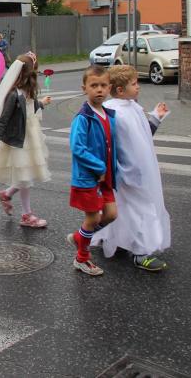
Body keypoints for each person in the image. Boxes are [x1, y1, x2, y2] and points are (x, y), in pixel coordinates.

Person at [91, 66, 171, 271]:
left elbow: (143, 137)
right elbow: (106, 145)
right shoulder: (115, 113)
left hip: (137, 171)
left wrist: (156, 117)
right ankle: (141, 252)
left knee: (125, 209)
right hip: (126, 172)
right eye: (134, 84)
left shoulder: (131, 107)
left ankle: (117, 239)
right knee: (141, 210)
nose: (138, 87)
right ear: (119, 90)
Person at [0, 53, 52, 228]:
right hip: (19, 139)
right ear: (28, 73)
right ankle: (26, 215)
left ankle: (7, 194)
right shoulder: (13, 95)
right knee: (25, 174)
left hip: (29, 135)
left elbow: (29, 107)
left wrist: (41, 103)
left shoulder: (27, 90)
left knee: (26, 173)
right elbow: (3, 120)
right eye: (35, 71)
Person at [66, 65, 118, 276]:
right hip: (88, 177)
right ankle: (82, 258)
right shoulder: (83, 117)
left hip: (105, 177)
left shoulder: (108, 115)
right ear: (84, 89)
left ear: (110, 88)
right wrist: (99, 167)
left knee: (111, 214)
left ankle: (80, 237)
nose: (99, 90)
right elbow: (77, 147)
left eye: (103, 85)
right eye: (94, 85)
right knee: (93, 219)